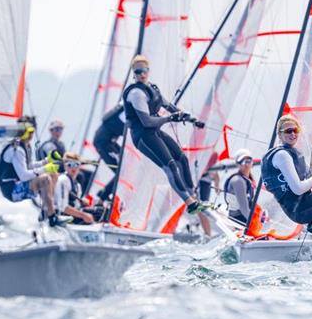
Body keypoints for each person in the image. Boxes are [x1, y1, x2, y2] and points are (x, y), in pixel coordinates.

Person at [121, 55, 212, 227]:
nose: (142, 74)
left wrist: (192, 120)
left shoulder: (152, 88)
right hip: (142, 137)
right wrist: (171, 118)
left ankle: (194, 195)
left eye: (144, 71)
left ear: (148, 71)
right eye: (138, 72)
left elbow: (169, 106)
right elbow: (147, 121)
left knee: (182, 159)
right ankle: (190, 203)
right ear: (134, 74)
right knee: (169, 165)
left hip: (154, 132)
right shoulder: (135, 93)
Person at [0, 126, 71, 227]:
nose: (31, 135)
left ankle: (48, 212)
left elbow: (29, 166)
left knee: (53, 174)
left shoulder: (25, 146)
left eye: (32, 132)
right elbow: (24, 176)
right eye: (29, 132)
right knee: (45, 178)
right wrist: (45, 169)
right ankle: (52, 217)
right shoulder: (17, 149)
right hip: (11, 190)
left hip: (18, 185)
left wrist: (46, 161)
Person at [92, 104, 125, 202]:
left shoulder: (124, 106)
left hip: (109, 142)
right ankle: (101, 198)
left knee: (124, 169)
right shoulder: (126, 110)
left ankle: (102, 194)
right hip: (103, 143)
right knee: (121, 172)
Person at [54, 152, 97, 225]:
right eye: (70, 165)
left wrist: (82, 202)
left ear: (80, 166)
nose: (73, 167)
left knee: (99, 211)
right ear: (65, 166)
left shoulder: (77, 184)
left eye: (76, 164)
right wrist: (84, 215)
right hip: (62, 217)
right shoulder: (63, 180)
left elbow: (77, 206)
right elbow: (63, 208)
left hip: (71, 215)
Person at [223, 149, 256, 225]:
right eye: (243, 162)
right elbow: (243, 208)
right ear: (237, 164)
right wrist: (254, 224)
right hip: (238, 219)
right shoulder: (238, 181)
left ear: (252, 163)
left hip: (244, 217)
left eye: (248, 161)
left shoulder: (248, 179)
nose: (246, 164)